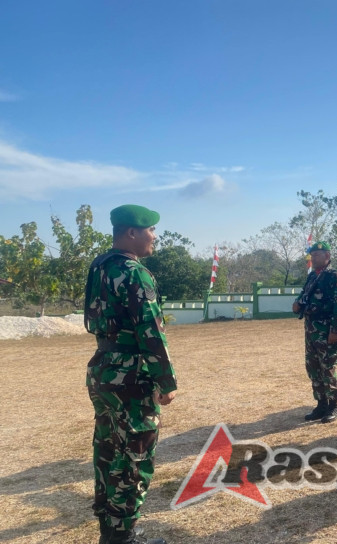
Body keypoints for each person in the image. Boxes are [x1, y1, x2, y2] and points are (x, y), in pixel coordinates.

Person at [84, 204, 177, 544]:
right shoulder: (134, 272)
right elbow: (151, 331)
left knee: (108, 449)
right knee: (136, 453)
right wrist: (166, 381)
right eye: (151, 230)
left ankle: (109, 531)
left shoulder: (100, 267)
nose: (155, 236)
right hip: (132, 376)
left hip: (104, 368)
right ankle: (124, 536)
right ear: (132, 233)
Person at [293, 241, 337, 423]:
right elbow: (303, 296)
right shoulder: (311, 277)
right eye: (312, 254)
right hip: (310, 329)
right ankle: (321, 404)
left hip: (326, 330)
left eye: (317, 254)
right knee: (313, 367)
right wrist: (297, 303)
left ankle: (333, 406)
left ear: (327, 256)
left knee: (328, 367)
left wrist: (335, 331)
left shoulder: (334, 276)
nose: (313, 257)